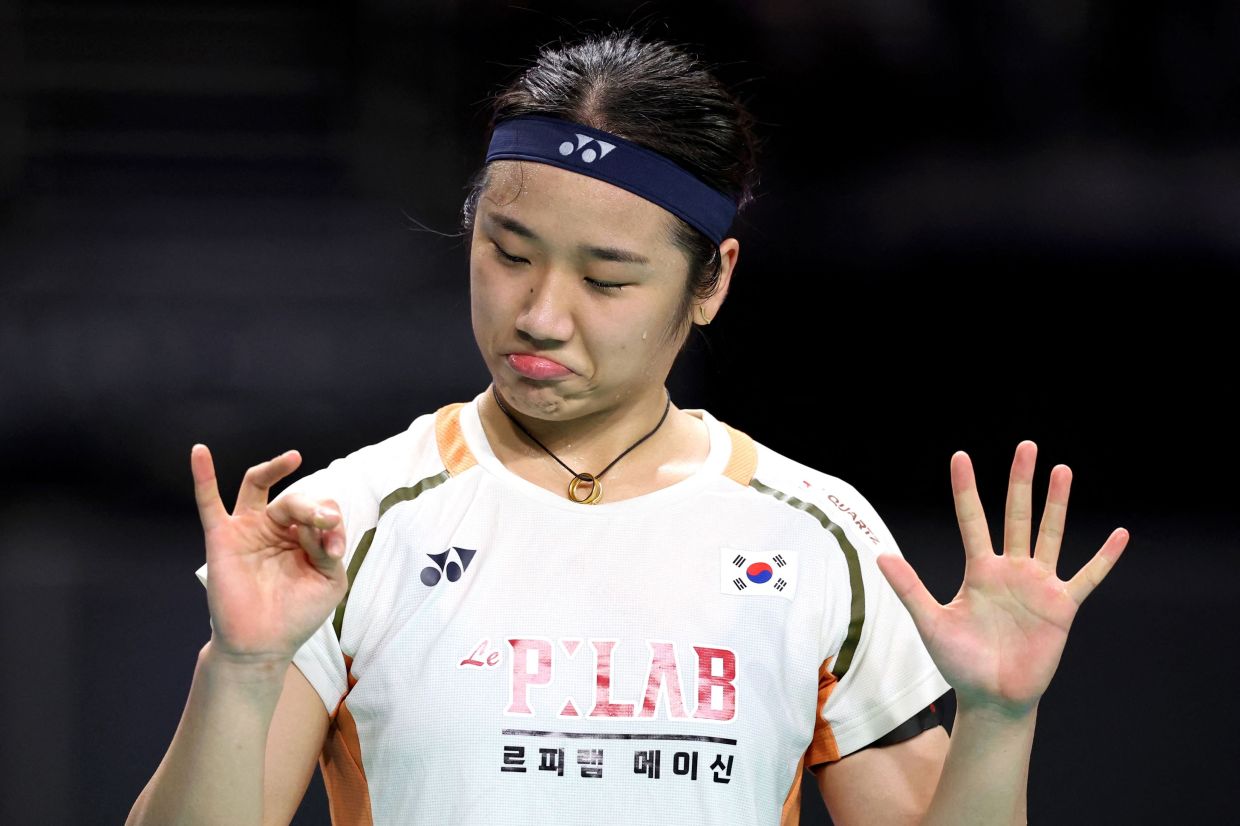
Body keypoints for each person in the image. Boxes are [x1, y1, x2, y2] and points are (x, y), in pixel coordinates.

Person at [126, 28, 1130, 826]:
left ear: (711, 283)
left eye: (606, 278)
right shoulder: (343, 527)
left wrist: (998, 721)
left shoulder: (816, 533)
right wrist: (244, 669)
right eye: (508, 251)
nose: (540, 314)